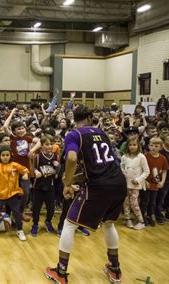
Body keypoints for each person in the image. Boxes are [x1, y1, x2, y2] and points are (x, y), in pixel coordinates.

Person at [45, 105, 127, 284]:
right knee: (108, 224)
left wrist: (67, 183)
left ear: (75, 118)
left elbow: (72, 158)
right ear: (90, 117)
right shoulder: (101, 133)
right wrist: (76, 180)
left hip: (99, 186)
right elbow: (100, 164)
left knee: (69, 224)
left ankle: (61, 271)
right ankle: (114, 269)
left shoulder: (74, 134)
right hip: (119, 182)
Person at [31, 135, 59, 236]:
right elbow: (33, 168)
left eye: (51, 144)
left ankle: (48, 221)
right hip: (38, 186)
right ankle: (35, 224)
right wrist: (36, 171)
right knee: (36, 208)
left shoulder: (55, 156)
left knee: (51, 208)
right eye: (47, 144)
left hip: (50, 187)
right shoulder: (37, 156)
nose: (49, 146)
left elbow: (57, 173)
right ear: (41, 145)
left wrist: (57, 167)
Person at [120, 136, 150, 230]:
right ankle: (128, 218)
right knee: (126, 202)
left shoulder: (141, 157)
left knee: (134, 202)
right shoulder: (124, 156)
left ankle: (141, 221)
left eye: (134, 145)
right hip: (126, 184)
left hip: (136, 185)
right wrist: (124, 174)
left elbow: (146, 171)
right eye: (130, 145)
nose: (132, 147)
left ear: (138, 145)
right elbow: (122, 167)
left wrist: (138, 179)